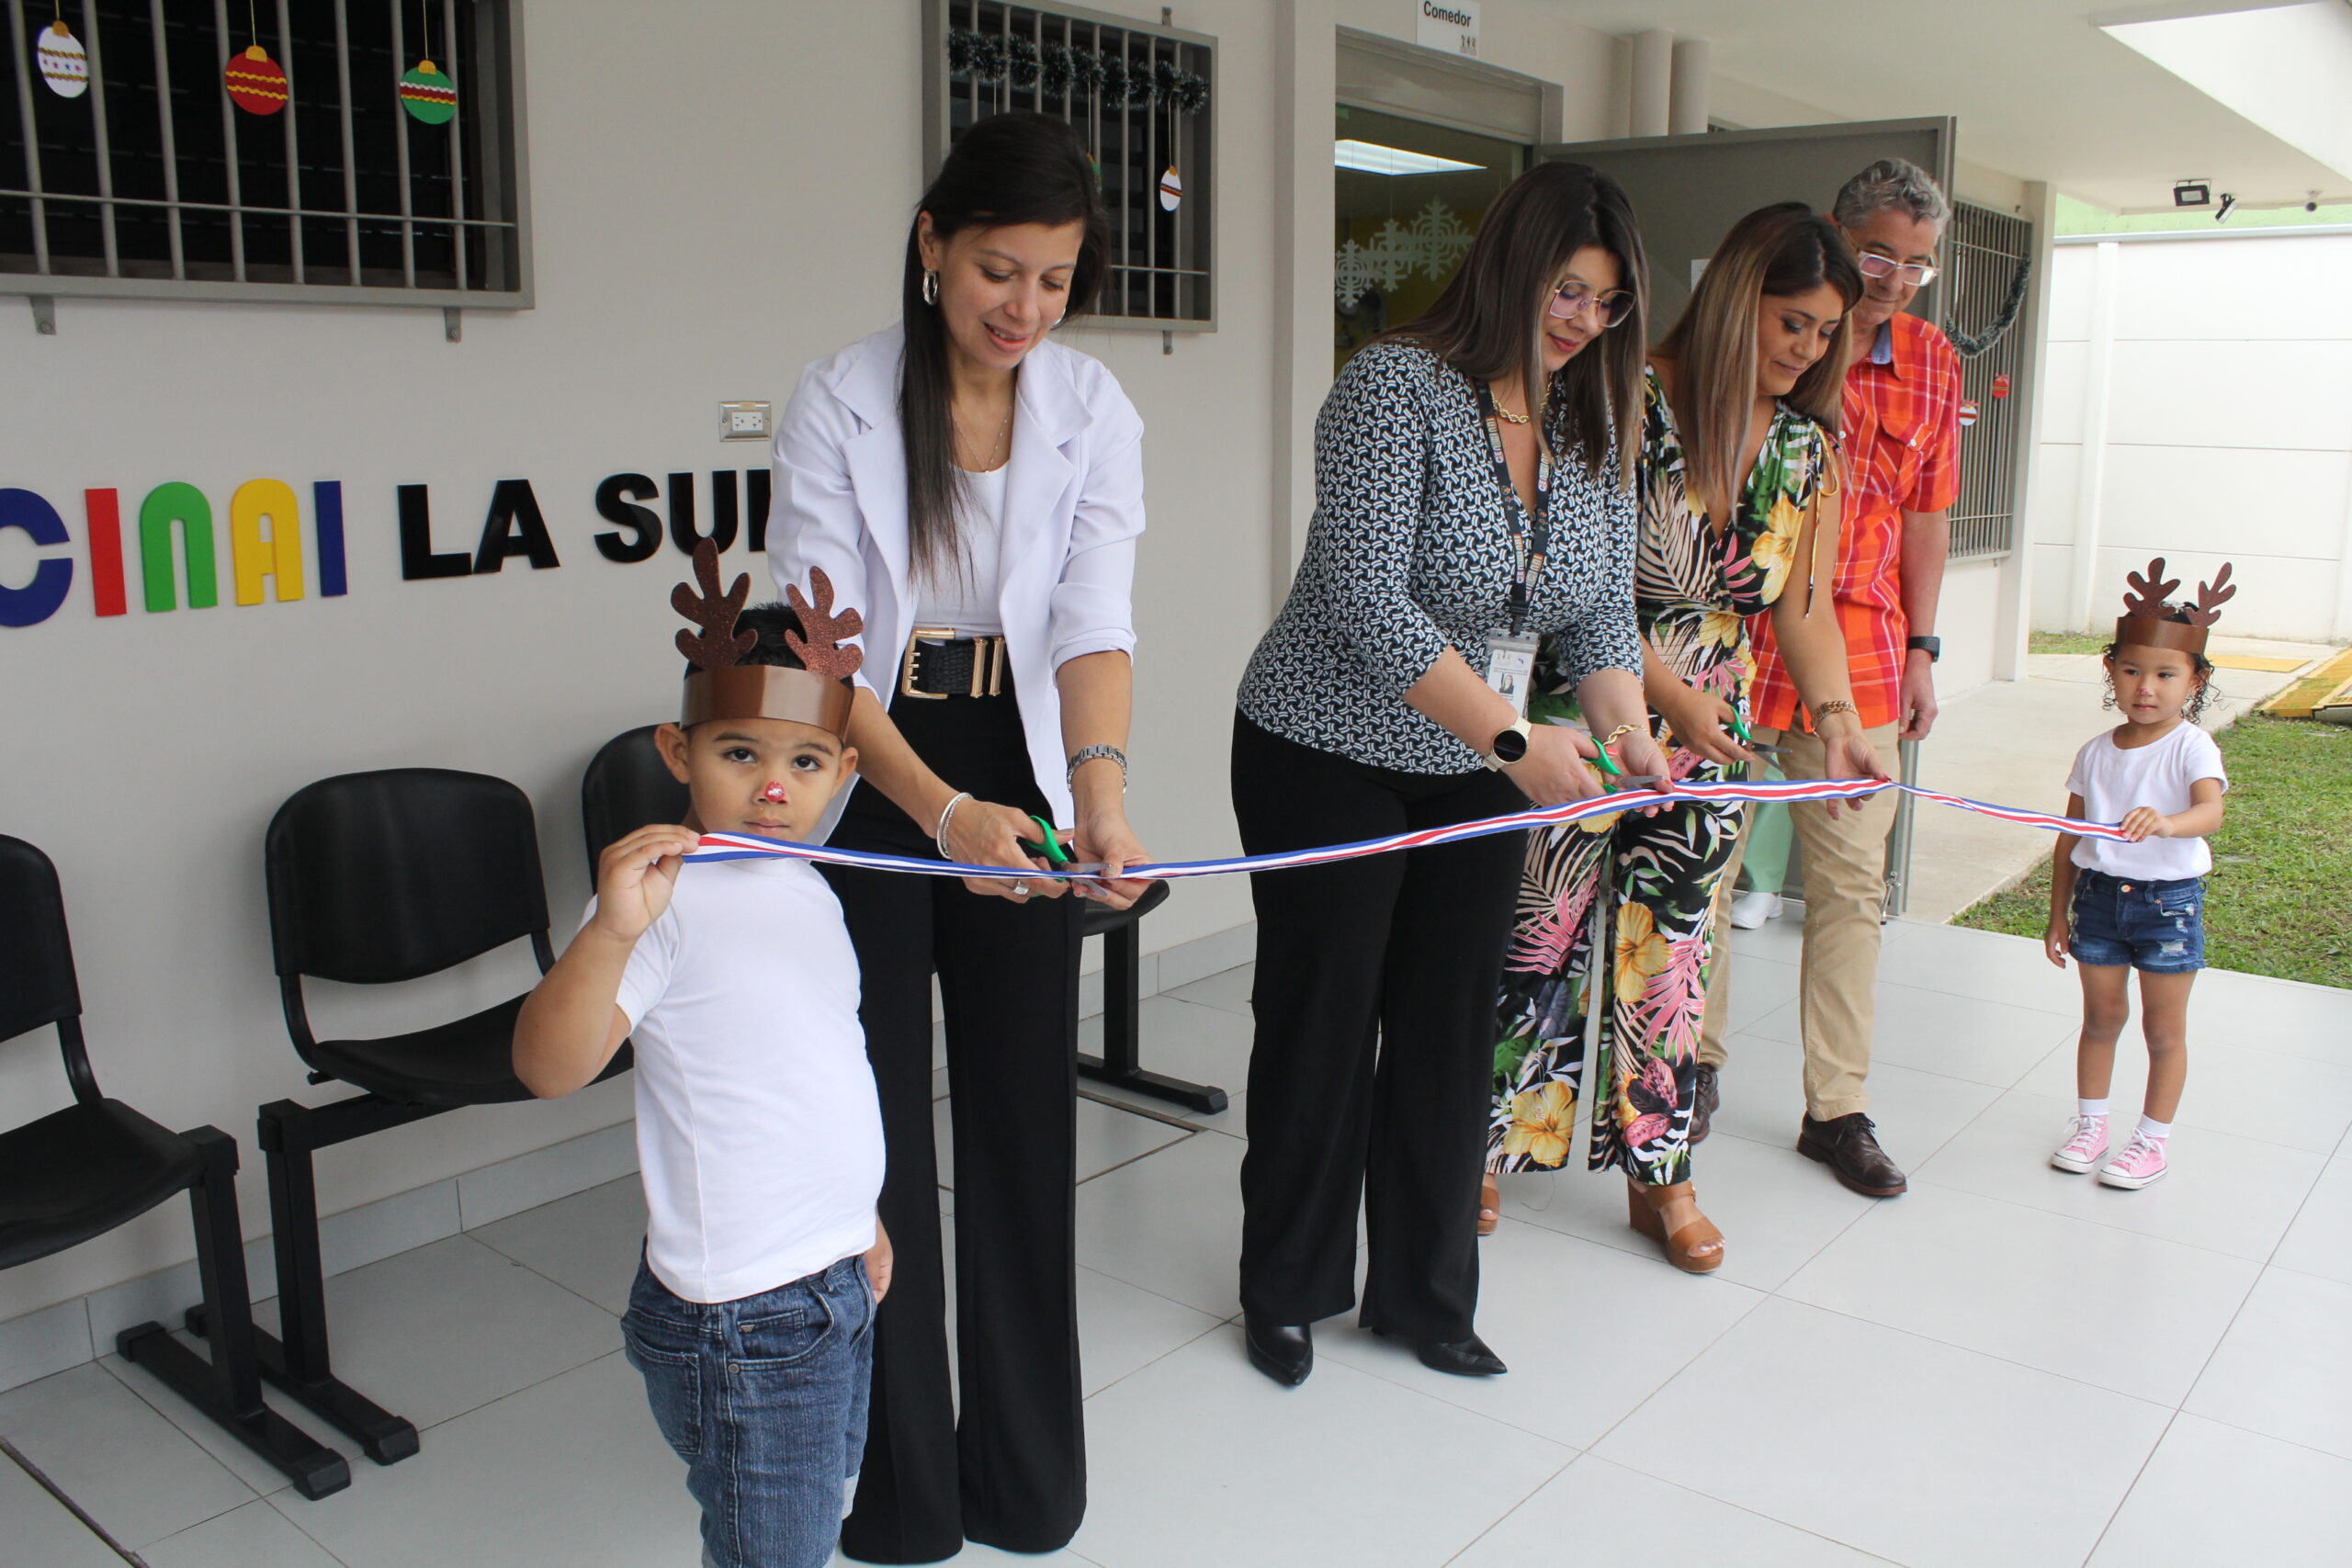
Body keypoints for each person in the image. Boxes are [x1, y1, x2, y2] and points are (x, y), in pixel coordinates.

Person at [765, 111, 1152, 1563]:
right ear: (932, 246)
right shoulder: (841, 397)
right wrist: (943, 816)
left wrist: (1096, 801)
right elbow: (825, 658)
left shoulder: (1093, 406)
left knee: (1017, 1121)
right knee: (871, 1133)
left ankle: (1029, 1477)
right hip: (871, 770)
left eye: (1054, 280)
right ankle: (901, 1484)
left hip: (1025, 759)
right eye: (1000, 269)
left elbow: (1095, 625)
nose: (1024, 309)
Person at [1230, 162, 1668, 1388]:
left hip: (1477, 759)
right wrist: (1523, 744)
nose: (1582, 319)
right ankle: (1289, 1285)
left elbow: (1591, 617)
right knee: (1323, 1025)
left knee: (1444, 1027)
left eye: (1607, 301)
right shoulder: (1394, 389)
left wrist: (1628, 730)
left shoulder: (1591, 432)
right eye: (1566, 288)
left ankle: (1424, 1295)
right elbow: (1367, 599)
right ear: (1510, 267)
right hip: (1325, 747)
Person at [1485, 204, 1888, 1273]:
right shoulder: (1627, 400)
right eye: (1790, 321)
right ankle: (1482, 1145)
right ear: (1736, 296)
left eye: (1822, 334)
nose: (1804, 350)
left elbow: (1800, 613)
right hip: (1588, 700)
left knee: (1672, 958)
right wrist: (1661, 694)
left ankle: (1658, 1178)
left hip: (1716, 724)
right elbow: (1584, 582)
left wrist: (1840, 723)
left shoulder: (1808, 447)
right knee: (1538, 933)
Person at [514, 543, 888, 1568]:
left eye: (804, 762)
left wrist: (861, 1222)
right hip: (748, 1320)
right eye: (739, 754)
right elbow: (550, 1068)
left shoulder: (806, 880)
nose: (774, 787)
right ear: (677, 753)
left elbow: (813, 1079)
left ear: (842, 772)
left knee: (809, 1519)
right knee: (776, 1553)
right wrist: (608, 933)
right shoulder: (659, 901)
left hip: (829, 1276)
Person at [1693, 157, 1965, 1195]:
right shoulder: (1757, 343)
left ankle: (1835, 1106)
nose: (1895, 277)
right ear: (1835, 235)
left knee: (1851, 888)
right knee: (1700, 869)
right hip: (1724, 649)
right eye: (1879, 254)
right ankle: (1695, 1065)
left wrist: (1924, 649)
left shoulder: (1932, 363)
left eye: (1917, 264)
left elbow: (1928, 516)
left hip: (1855, 652)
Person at [2044, 558, 2233, 1190]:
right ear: (2110, 671)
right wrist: (2056, 915)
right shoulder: (2095, 753)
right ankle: (2091, 1124)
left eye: (2164, 674)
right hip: (2098, 900)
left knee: (2162, 1028)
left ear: (2194, 679)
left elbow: (2212, 811)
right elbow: (2070, 838)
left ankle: (2152, 1140)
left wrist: (2168, 823)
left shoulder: (2191, 747)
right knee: (2100, 1019)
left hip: (2168, 904)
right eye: (2131, 670)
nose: (2145, 687)